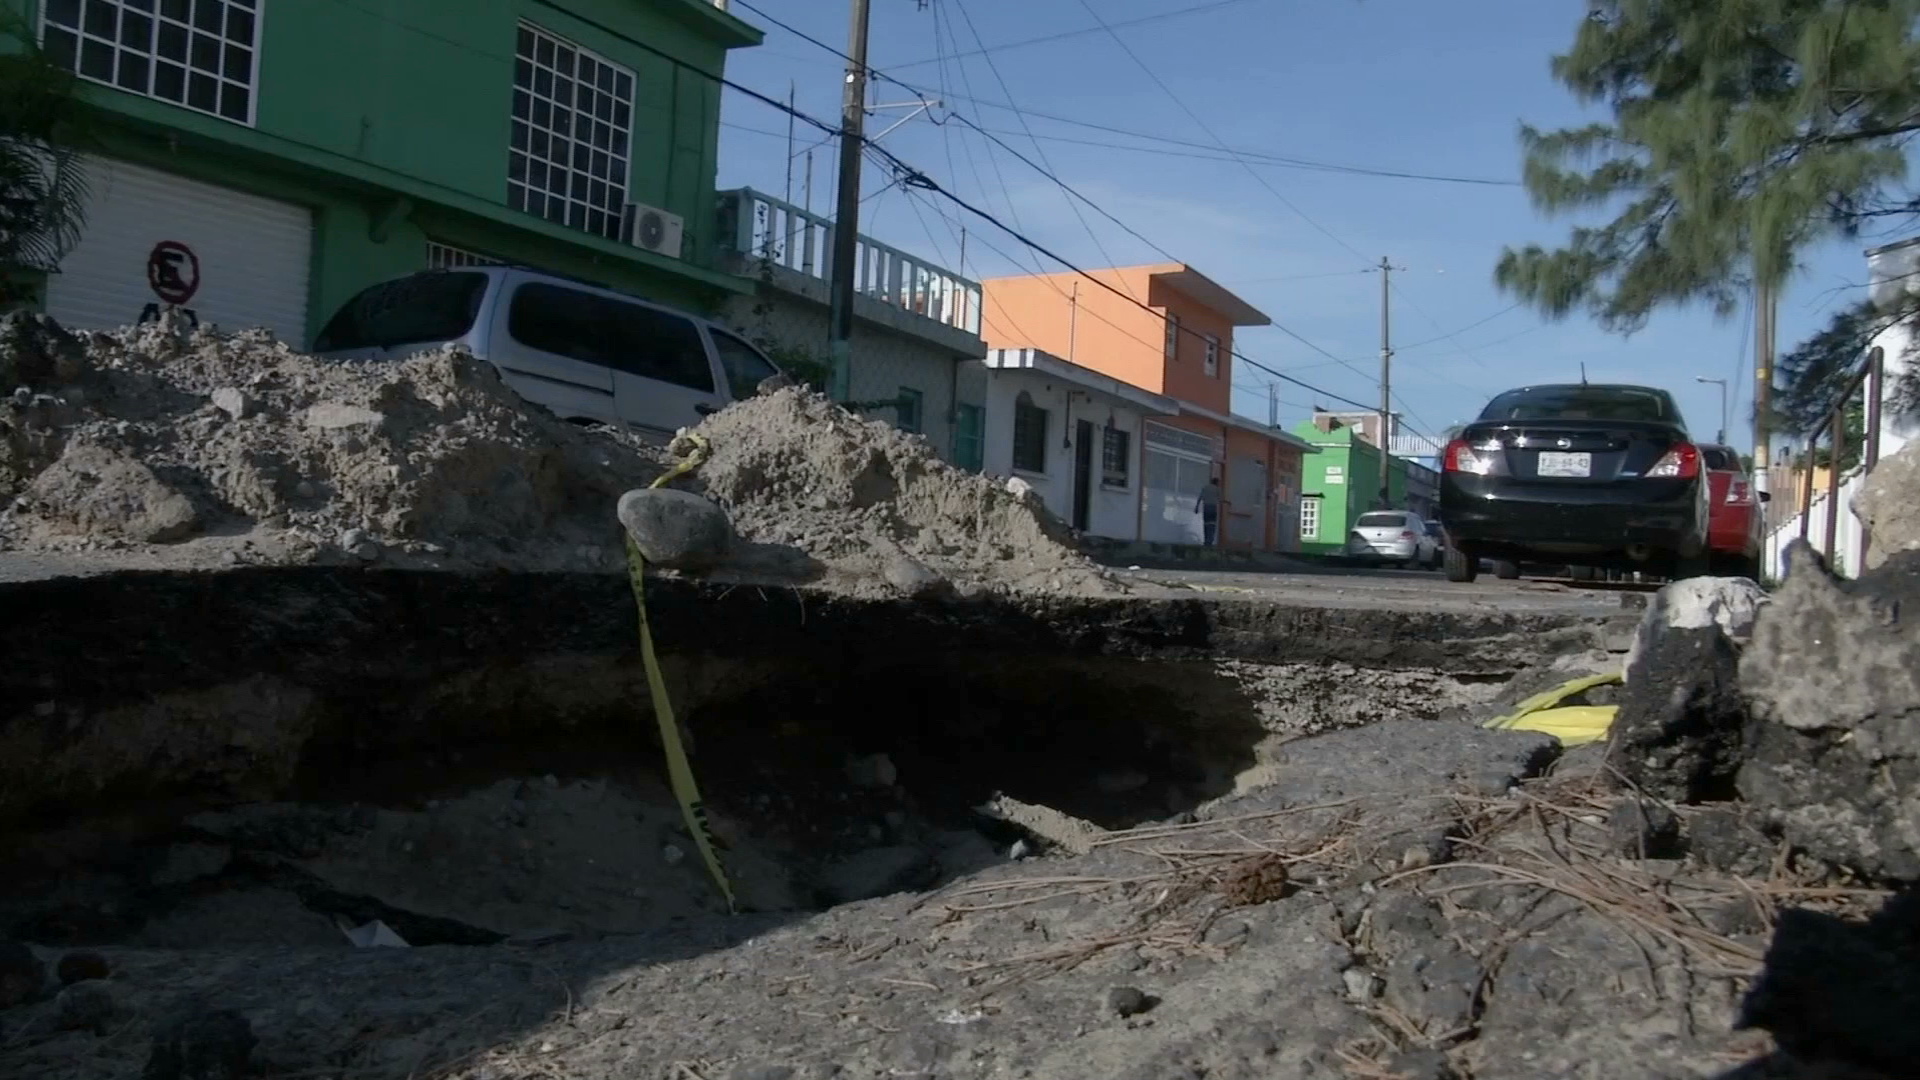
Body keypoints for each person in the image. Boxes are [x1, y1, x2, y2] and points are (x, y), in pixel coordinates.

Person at [1195, 473, 1222, 547]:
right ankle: (1210, 541)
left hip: (1206, 507)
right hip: (1213, 507)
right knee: (1212, 525)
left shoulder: (1205, 487)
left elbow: (1200, 497)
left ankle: (1206, 541)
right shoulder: (1217, 489)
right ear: (1216, 483)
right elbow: (1220, 499)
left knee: (1206, 524)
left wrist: (1197, 507)